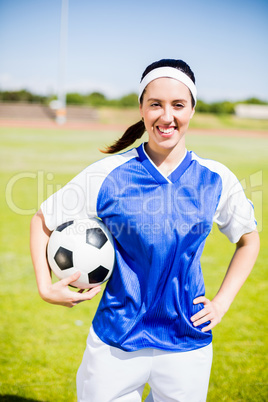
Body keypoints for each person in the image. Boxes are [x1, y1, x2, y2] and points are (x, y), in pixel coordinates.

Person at [30, 59, 260, 402]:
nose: (166, 116)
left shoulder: (216, 179)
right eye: (155, 104)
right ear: (141, 108)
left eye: (178, 105)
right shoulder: (108, 174)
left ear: (192, 109)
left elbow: (248, 239)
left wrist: (223, 303)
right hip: (116, 339)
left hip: (186, 340)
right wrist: (46, 287)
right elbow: (42, 220)